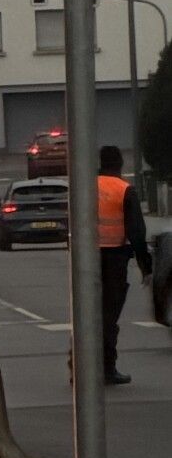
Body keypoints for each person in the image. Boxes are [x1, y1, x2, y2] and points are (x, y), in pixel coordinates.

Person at [99, 144, 152, 386]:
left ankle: (77, 365)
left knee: (85, 314)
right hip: (114, 259)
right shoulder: (123, 190)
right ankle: (107, 368)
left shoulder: (84, 186)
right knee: (108, 317)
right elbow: (137, 233)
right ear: (119, 164)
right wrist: (146, 267)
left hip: (85, 261)